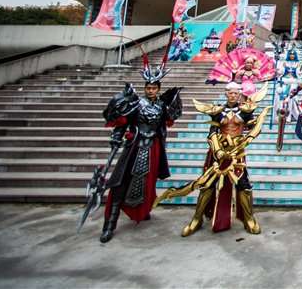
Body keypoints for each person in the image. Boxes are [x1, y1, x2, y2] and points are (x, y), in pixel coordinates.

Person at [166, 82, 266, 236]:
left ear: (239, 94)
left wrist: (258, 122)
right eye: (230, 93)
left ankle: (249, 219)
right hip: (217, 153)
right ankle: (196, 219)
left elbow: (253, 127)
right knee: (207, 185)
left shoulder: (246, 110)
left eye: (236, 93)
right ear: (226, 93)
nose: (233, 95)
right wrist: (218, 150)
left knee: (243, 185)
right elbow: (212, 132)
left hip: (236, 153)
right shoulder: (217, 111)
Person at [99, 63, 183, 242]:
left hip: (153, 147)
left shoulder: (162, 106)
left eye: (154, 88)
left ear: (158, 89)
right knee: (119, 183)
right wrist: (116, 138)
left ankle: (143, 210)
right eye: (148, 87)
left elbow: (167, 122)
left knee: (148, 181)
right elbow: (122, 123)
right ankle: (109, 224)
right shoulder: (135, 104)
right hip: (134, 147)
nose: (150, 90)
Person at [275, 45, 301, 151]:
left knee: (290, 98)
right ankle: (279, 115)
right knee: (280, 97)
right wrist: (278, 70)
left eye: (293, 54)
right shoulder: (284, 63)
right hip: (284, 81)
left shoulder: (297, 63)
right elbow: (280, 72)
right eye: (290, 54)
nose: (291, 56)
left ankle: (289, 116)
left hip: (293, 82)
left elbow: (298, 74)